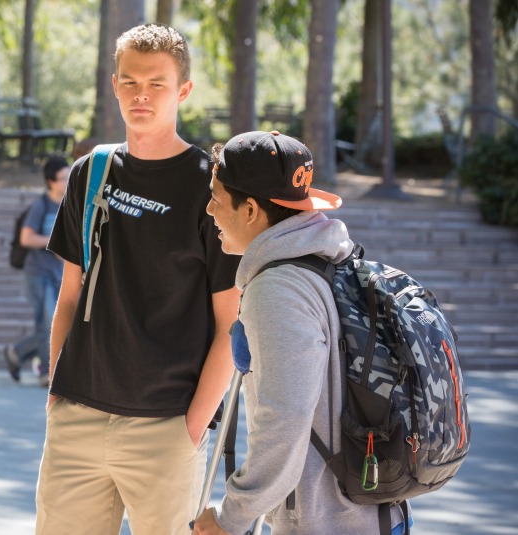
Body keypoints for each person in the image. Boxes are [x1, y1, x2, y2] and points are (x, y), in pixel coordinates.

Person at [35, 24, 241, 535]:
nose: (141, 96)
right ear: (114, 85)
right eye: (130, 83)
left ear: (183, 91)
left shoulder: (209, 187)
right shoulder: (91, 172)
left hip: (167, 427)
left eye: (157, 84)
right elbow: (69, 297)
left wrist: (192, 429)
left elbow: (231, 326)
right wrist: (58, 395)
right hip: (77, 418)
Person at [192, 130, 409, 534]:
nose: (209, 210)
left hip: (327, 523)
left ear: (252, 210)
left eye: (217, 199)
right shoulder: (328, 262)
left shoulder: (279, 289)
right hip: (366, 515)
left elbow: (284, 418)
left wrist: (232, 517)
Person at [4, 156, 70, 387]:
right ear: (51, 181)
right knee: (48, 322)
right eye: (63, 178)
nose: (68, 182)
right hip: (38, 272)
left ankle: (17, 352)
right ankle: (47, 373)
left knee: (56, 322)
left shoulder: (70, 205)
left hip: (59, 273)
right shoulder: (40, 206)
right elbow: (26, 238)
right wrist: (53, 241)